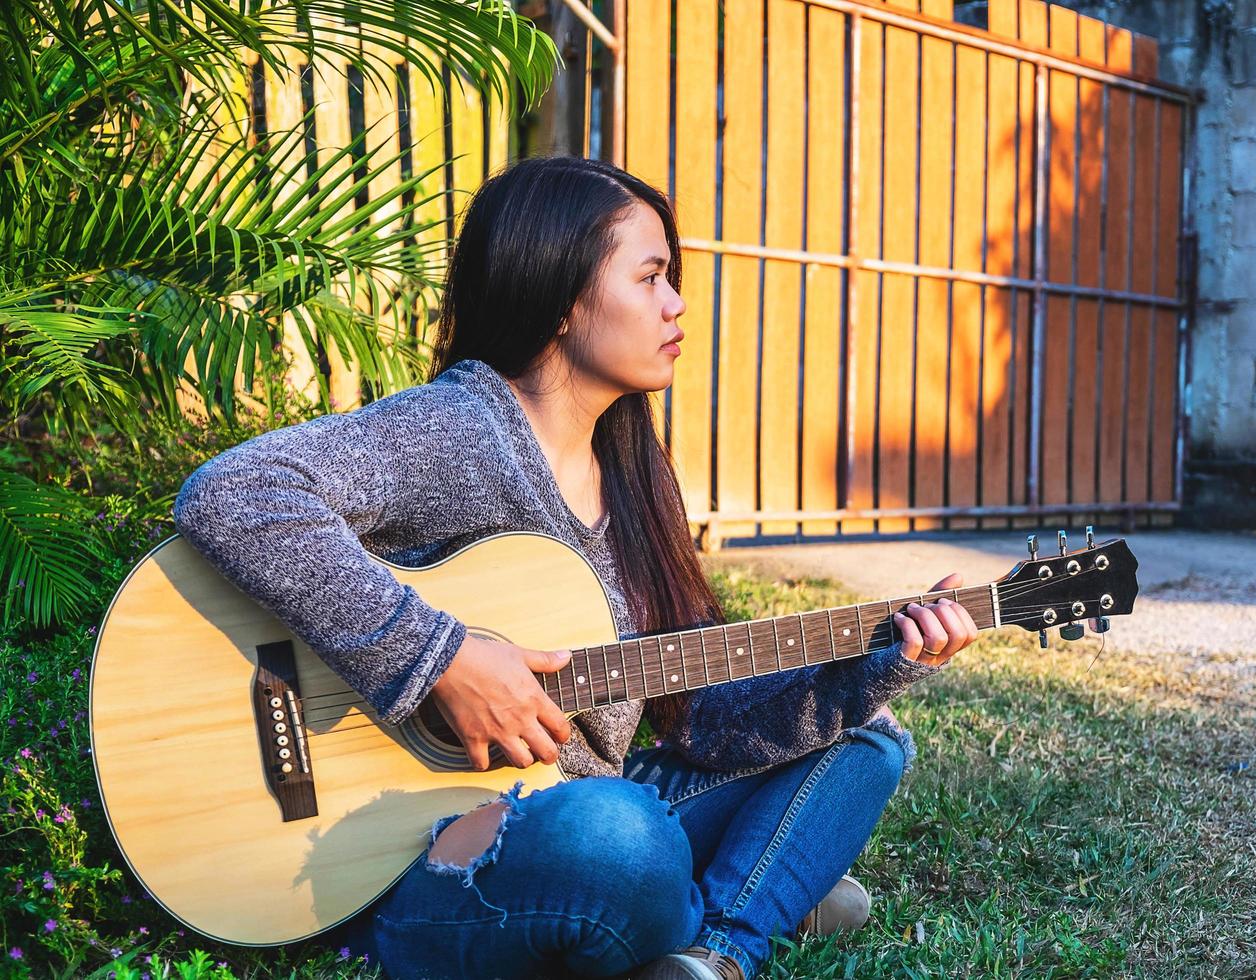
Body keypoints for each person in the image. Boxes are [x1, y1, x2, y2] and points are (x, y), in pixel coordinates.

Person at [171, 155, 977, 980]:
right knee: (618, 835)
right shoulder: (457, 429)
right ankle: (763, 881)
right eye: (652, 276)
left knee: (868, 743)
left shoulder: (636, 474)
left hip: (582, 803)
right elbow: (232, 493)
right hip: (425, 860)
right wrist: (440, 658)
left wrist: (879, 660)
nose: (678, 304)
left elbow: (699, 718)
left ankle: (716, 954)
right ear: (561, 297)